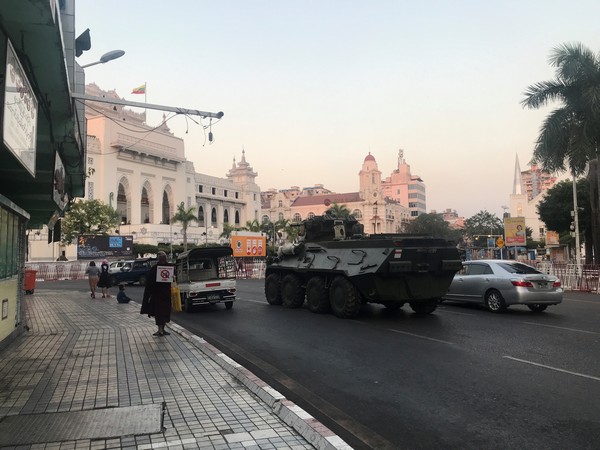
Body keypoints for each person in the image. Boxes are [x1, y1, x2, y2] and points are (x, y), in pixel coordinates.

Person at [141, 251, 173, 337]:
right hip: (164, 294)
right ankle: (161, 330)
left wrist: (148, 295)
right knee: (163, 312)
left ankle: (161, 330)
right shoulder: (169, 267)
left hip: (159, 294)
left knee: (160, 312)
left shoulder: (155, 268)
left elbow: (149, 283)